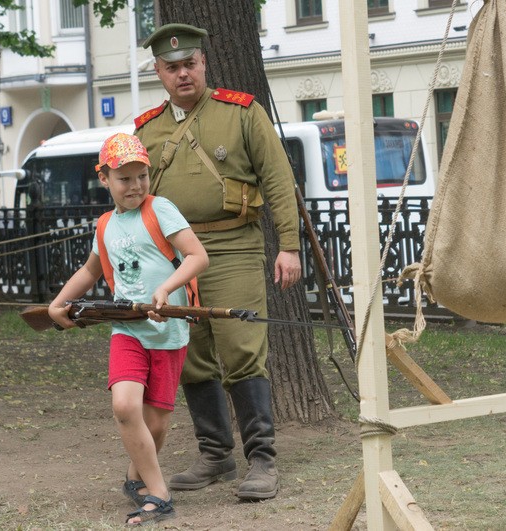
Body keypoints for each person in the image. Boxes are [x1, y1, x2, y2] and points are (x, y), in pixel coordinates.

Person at [135, 23, 301, 501]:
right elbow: (135, 199)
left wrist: (287, 245)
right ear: (159, 73)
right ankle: (215, 454)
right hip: (175, 258)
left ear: (203, 63)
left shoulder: (242, 113)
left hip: (233, 247)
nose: (182, 74)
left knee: (241, 348)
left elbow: (277, 178)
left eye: (190, 64)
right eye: (172, 68)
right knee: (191, 353)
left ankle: (263, 460)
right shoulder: (147, 129)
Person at [48, 132, 209, 525]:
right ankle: (158, 492)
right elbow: (90, 270)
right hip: (127, 330)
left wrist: (167, 288)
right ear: (104, 178)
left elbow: (197, 256)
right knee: (124, 406)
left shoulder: (161, 209)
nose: (135, 186)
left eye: (141, 176)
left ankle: (136, 477)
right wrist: (58, 303)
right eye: (124, 178)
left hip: (169, 331)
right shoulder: (105, 226)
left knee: (155, 424)